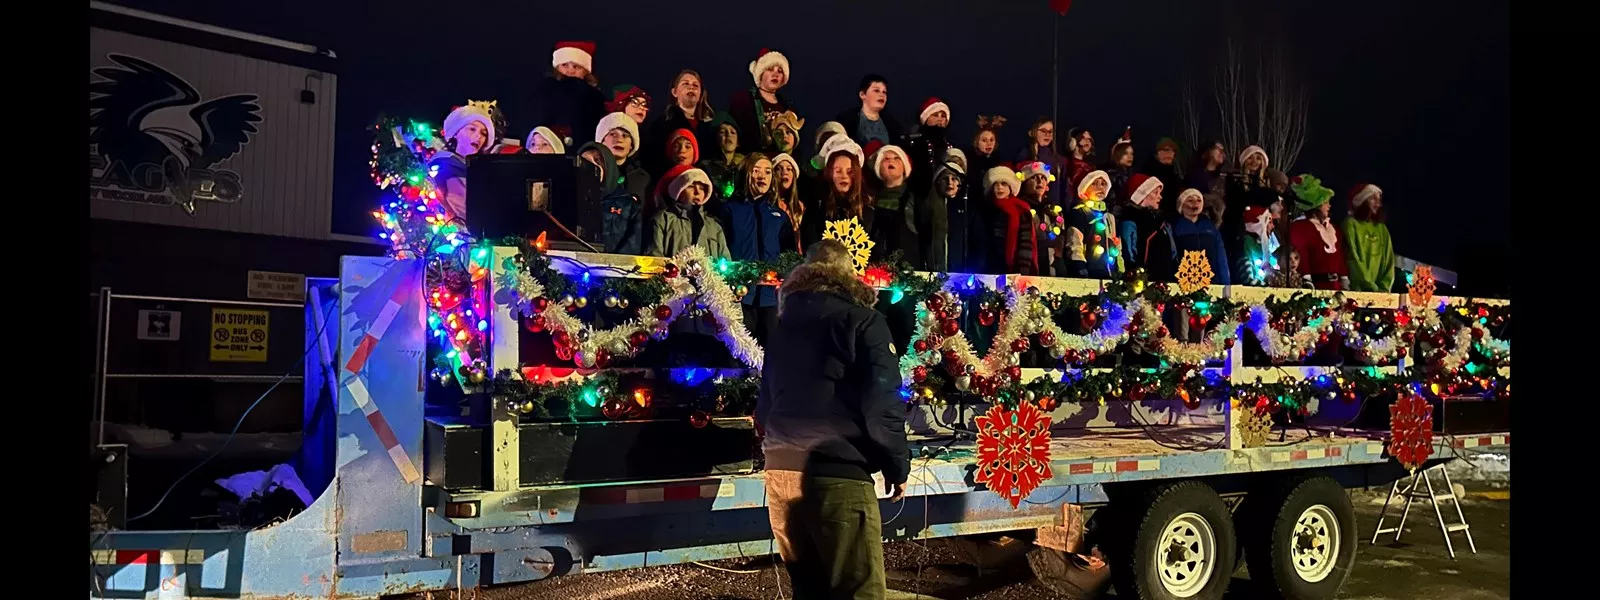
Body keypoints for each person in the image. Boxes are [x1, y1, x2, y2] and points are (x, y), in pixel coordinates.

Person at [758, 238, 908, 600]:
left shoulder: (783, 328)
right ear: (848, 275)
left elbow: (764, 406)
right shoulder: (863, 321)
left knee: (809, 590)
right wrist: (896, 466)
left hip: (781, 474)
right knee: (858, 591)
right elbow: (881, 402)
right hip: (835, 475)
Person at [722, 154, 792, 342]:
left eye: (768, 172)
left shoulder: (779, 215)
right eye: (756, 171)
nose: (763, 176)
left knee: (772, 350)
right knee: (738, 349)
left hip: (770, 298)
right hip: (739, 296)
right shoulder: (730, 210)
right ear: (746, 174)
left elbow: (789, 254)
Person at [525, 41, 607, 147]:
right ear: (557, 68)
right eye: (565, 65)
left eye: (576, 67)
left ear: (586, 71)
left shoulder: (595, 98)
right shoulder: (545, 91)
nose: (570, 71)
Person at [1144, 188, 1231, 286]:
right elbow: (1171, 257)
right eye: (1190, 200)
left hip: (1212, 282)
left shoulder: (1210, 227)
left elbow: (1221, 257)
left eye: (1199, 200)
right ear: (1181, 205)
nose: (1195, 203)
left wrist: (1226, 284)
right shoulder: (1173, 227)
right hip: (1183, 283)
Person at [429, 102, 496, 225]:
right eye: (472, 129)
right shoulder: (443, 163)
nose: (478, 136)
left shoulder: (483, 170)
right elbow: (435, 199)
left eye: (483, 133)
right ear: (456, 132)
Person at [919, 159, 986, 273]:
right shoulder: (927, 208)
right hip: (932, 273)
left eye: (954, 178)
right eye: (945, 178)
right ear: (938, 182)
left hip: (962, 274)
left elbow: (979, 243)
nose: (950, 183)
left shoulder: (968, 209)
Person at [644, 70, 716, 178]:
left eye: (695, 85)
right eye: (685, 84)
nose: (691, 87)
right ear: (674, 92)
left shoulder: (710, 126)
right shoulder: (663, 123)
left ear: (701, 93)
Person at [595, 112, 649, 254]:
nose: (619, 140)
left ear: (632, 145)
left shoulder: (643, 179)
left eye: (625, 136)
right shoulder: (591, 174)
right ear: (602, 141)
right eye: (613, 134)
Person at [646, 164, 728, 258]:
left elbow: (725, 261)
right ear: (679, 191)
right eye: (691, 187)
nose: (697, 192)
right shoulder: (663, 220)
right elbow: (654, 256)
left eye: (702, 188)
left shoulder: (714, 226)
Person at [1286, 174, 1349, 290]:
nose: (1329, 206)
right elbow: (1301, 255)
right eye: (1326, 202)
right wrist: (1306, 279)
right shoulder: (1300, 227)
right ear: (1316, 205)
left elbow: (1340, 255)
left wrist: (1344, 278)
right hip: (1317, 286)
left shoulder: (1334, 228)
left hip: (1336, 287)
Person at [803, 141, 869, 247]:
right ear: (829, 173)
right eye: (838, 171)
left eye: (849, 171)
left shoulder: (867, 210)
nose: (844, 176)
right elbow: (810, 244)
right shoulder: (817, 209)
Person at [864, 142, 919, 265]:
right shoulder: (870, 200)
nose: (891, 161)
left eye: (896, 158)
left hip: (908, 271)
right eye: (886, 159)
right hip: (877, 272)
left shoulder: (914, 199)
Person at [730, 49, 794, 154]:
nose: (775, 74)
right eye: (770, 69)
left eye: (780, 71)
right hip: (752, 160)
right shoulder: (743, 100)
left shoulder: (787, 106)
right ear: (760, 74)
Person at [1063, 170, 1124, 279]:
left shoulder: (1110, 217)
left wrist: (1120, 269)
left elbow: (1117, 245)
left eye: (1104, 184)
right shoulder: (1080, 213)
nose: (1100, 187)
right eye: (1094, 183)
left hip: (1110, 273)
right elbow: (1075, 242)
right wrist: (1079, 267)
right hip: (1090, 272)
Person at [1342, 183, 1396, 292]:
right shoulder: (1351, 224)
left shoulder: (1382, 228)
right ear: (1362, 201)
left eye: (1379, 199)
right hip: (1357, 290)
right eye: (1372, 198)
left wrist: (1384, 287)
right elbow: (1353, 258)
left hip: (1381, 293)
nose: (1378, 203)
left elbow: (1389, 260)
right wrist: (1370, 286)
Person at [985, 165, 1037, 274]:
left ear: (1010, 188)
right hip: (992, 267)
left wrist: (1022, 272)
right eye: (996, 184)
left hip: (1016, 268)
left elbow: (1026, 243)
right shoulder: (987, 210)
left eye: (1004, 184)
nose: (999, 188)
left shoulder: (1021, 210)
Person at [836, 74, 905, 147]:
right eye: (876, 90)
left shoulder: (893, 125)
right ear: (862, 94)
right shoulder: (846, 120)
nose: (882, 95)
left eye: (884, 92)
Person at [904, 98, 952, 198]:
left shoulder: (948, 144)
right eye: (935, 115)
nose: (940, 119)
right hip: (919, 194)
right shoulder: (916, 143)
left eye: (943, 116)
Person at [1018, 118, 1069, 208]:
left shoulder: (1059, 160)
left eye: (1050, 132)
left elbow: (1064, 189)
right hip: (1031, 206)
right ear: (1033, 132)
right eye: (1043, 131)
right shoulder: (1025, 154)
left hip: (1053, 207)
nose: (1047, 135)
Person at [699, 112, 746, 207]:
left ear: (738, 143)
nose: (728, 135)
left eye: (733, 132)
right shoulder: (705, 167)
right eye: (722, 132)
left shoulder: (745, 166)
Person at [1119, 174, 1164, 268]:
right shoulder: (1130, 219)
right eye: (1156, 192)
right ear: (1143, 195)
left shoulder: (1159, 221)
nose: (1160, 197)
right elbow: (1129, 250)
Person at [1234, 204, 1282, 286]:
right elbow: (1248, 278)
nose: (1272, 226)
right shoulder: (1246, 244)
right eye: (1269, 222)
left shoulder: (1264, 247)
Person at [771, 153, 805, 251]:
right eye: (779, 169)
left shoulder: (800, 207)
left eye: (789, 169)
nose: (784, 172)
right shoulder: (768, 206)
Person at [1139, 137, 1184, 212]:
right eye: (1166, 150)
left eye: (1173, 151)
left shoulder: (1174, 171)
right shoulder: (1148, 171)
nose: (1170, 153)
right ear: (1157, 152)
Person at [967, 115, 1005, 199]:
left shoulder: (998, 161)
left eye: (992, 140)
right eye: (984, 140)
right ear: (976, 142)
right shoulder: (971, 162)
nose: (989, 144)